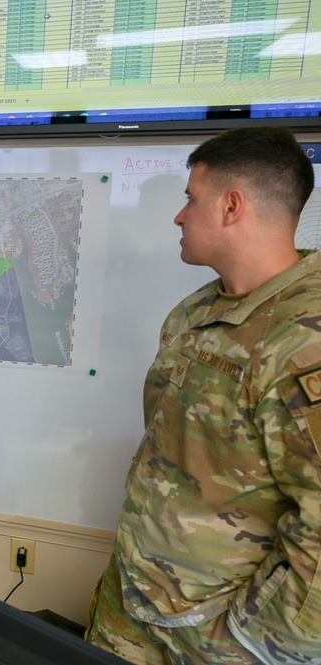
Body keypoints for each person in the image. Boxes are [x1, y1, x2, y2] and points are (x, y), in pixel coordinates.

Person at [85, 126, 321, 664]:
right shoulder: (195, 312)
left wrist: (254, 640)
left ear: (232, 206)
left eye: (191, 199)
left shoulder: (305, 338)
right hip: (136, 600)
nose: (179, 215)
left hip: (219, 636)